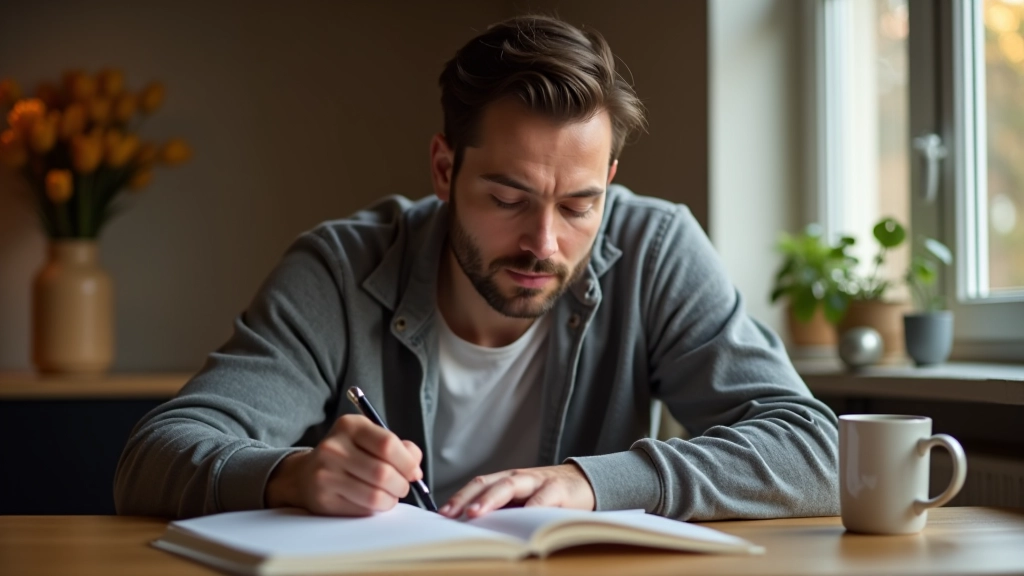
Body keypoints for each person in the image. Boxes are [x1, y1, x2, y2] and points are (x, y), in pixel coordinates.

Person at [114, 15, 839, 521]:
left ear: (610, 181)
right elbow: (153, 458)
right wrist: (291, 476)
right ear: (443, 168)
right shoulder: (340, 268)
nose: (544, 243)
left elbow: (815, 451)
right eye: (508, 197)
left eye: (581, 205)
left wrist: (595, 483)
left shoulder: (655, 248)